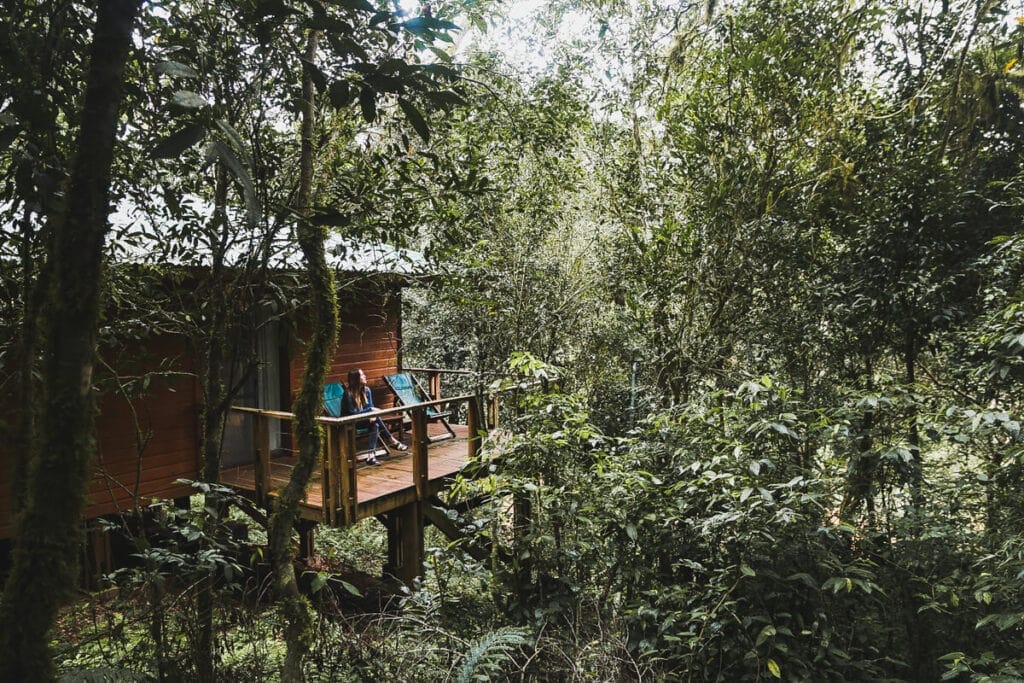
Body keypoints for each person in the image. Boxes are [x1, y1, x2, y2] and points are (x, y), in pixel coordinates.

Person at [343, 368, 407, 465]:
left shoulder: (367, 391)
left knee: (375, 424)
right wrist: (371, 412)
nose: (365, 376)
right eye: (362, 375)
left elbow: (370, 409)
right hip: (349, 423)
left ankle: (371, 456)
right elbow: (352, 415)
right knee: (373, 413)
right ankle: (392, 441)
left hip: (363, 420)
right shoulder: (348, 394)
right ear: (356, 379)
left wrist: (372, 413)